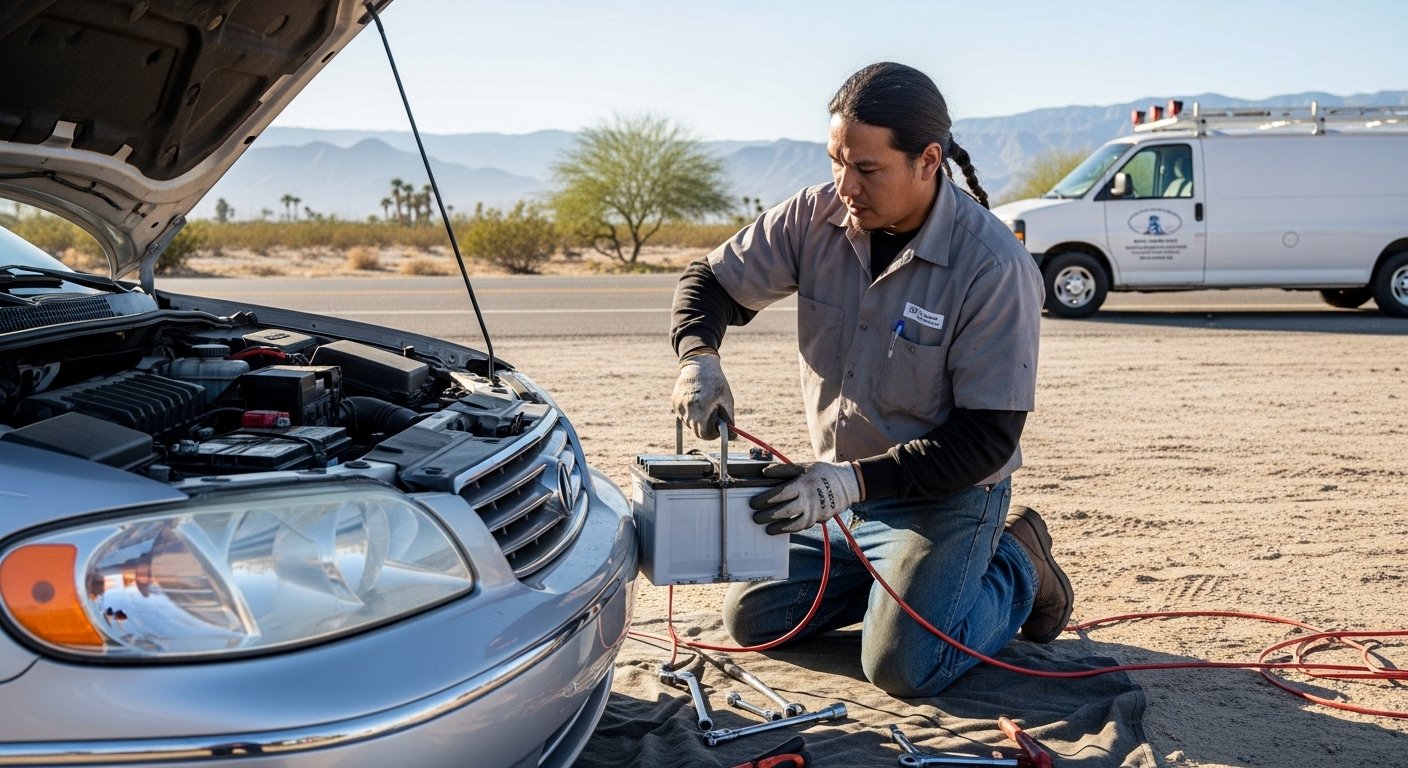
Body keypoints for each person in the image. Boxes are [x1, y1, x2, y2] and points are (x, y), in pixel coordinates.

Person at [669, 62, 1073, 697]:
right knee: (753, 619)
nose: (844, 184)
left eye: (866, 169)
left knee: (903, 668)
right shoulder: (814, 217)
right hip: (846, 498)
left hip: (945, 497)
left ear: (928, 160)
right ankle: (897, 582)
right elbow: (710, 281)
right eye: (836, 161)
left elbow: (987, 439)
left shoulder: (993, 265)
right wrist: (699, 357)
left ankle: (1019, 563)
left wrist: (850, 483)